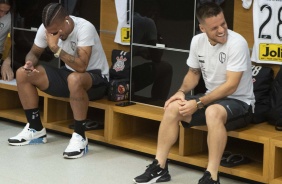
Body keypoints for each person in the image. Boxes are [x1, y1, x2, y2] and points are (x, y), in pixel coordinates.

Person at [133, 2, 254, 184]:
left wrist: (198, 103)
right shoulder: (197, 41)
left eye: (224, 24)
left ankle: (211, 176)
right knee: (173, 107)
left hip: (239, 101)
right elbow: (194, 73)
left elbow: (231, 86)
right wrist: (181, 92)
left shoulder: (237, 43)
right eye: (215, 28)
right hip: (212, 97)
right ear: (202, 28)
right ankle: (160, 166)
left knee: (212, 112)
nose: (222, 30)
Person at [8, 3, 109, 159]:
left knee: (75, 78)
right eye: (49, 32)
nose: (53, 35)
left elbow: (82, 67)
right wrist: (29, 63)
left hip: (96, 79)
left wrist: (56, 48)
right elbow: (33, 53)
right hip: (68, 75)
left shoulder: (85, 28)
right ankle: (36, 130)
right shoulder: (47, 28)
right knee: (22, 73)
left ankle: (80, 136)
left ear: (67, 20)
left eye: (56, 31)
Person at [0, 0, 13, 81]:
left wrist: (7, 60)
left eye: (6, 12)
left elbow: (15, 42)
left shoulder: (11, 18)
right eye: (0, 10)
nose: (2, 15)